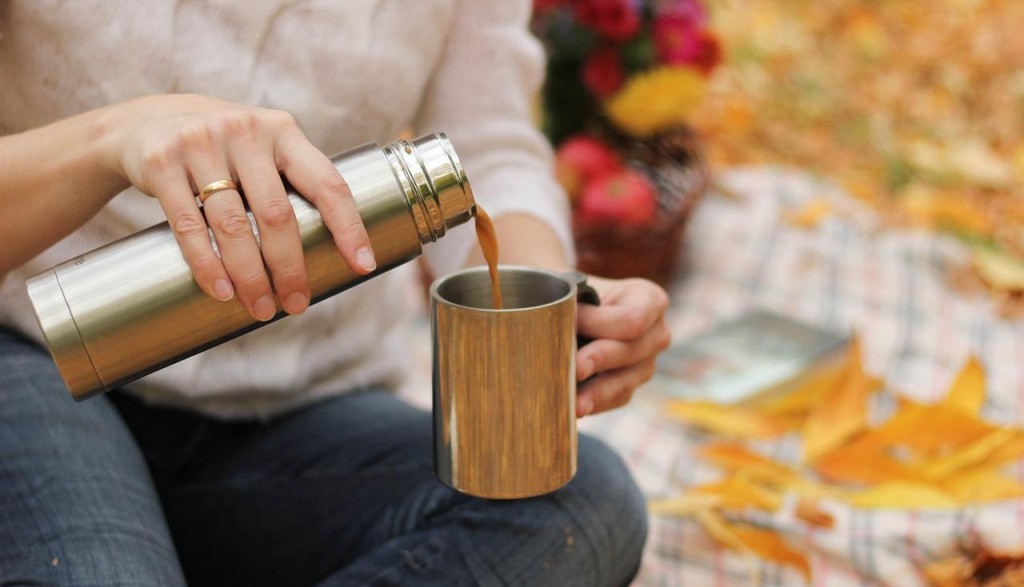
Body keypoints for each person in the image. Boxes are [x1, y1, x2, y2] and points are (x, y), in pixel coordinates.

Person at [0, 1, 671, 585]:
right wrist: (113, 136)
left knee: (583, 507)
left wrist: (556, 296)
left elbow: (487, 147)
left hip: (301, 415)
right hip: (37, 362)